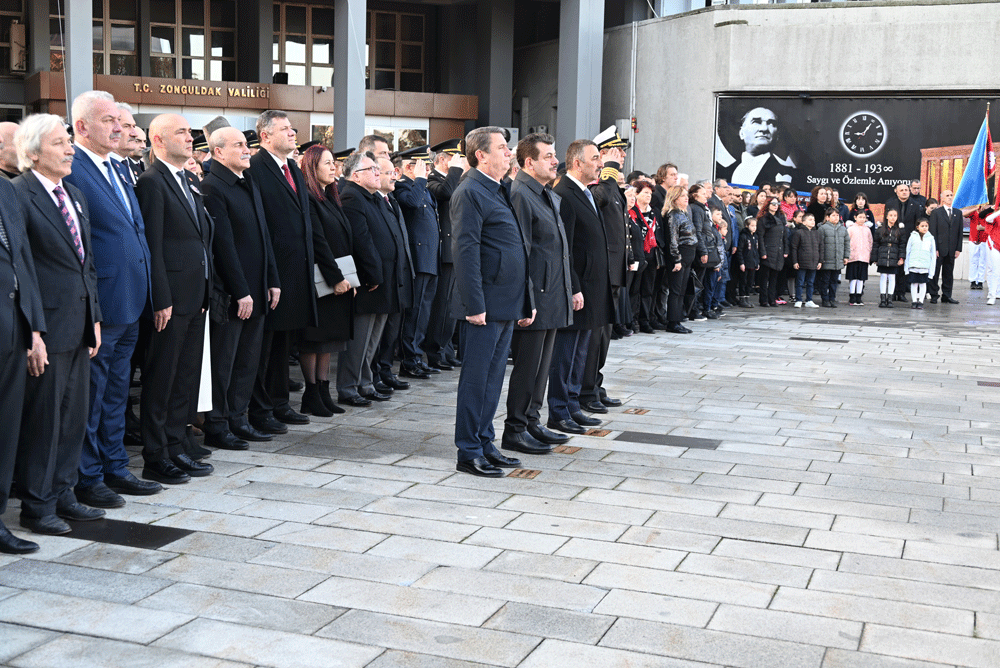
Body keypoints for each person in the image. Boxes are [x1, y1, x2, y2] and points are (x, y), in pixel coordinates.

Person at [64, 91, 161, 509]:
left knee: (118, 390)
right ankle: (89, 476)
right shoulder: (74, 167)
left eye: (120, 121)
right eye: (109, 121)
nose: (119, 128)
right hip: (102, 303)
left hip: (132, 297)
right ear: (82, 127)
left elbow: (135, 232)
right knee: (94, 391)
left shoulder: (117, 167)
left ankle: (116, 466)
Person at [10, 114, 104, 535]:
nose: (69, 149)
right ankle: (37, 504)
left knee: (72, 417)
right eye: (58, 143)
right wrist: (34, 331)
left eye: (68, 141)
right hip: (45, 329)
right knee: (44, 422)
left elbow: (88, 265)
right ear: (31, 153)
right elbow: (20, 268)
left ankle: (64, 493)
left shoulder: (75, 195)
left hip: (79, 325)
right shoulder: (18, 196)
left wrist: (95, 319)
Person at [135, 114, 214, 484]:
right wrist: (160, 297)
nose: (190, 137)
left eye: (190, 131)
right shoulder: (153, 182)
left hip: (195, 296)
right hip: (170, 300)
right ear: (158, 140)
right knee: (162, 377)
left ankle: (176, 445)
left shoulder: (187, 180)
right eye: (181, 132)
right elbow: (153, 244)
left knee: (185, 377)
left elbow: (198, 240)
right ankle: (156, 454)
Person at [451, 127, 533, 476]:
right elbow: (466, 251)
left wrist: (524, 299)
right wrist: (474, 305)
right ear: (480, 154)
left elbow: (517, 250)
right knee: (476, 379)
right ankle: (468, 450)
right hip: (484, 304)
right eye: (501, 147)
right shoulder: (470, 190)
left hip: (504, 301)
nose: (508, 152)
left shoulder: (497, 188)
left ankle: (485, 441)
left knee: (493, 378)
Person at [200, 127, 282, 446]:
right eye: (239, 145)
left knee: (247, 360)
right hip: (234, 295)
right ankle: (218, 425)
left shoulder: (247, 183)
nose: (247, 149)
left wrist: (272, 281)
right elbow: (224, 246)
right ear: (219, 152)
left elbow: (264, 237)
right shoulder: (213, 187)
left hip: (258, 290)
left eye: (246, 145)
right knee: (225, 361)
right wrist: (241, 291)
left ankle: (239, 417)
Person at [502, 132, 574, 456]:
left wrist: (571, 289)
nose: (555, 161)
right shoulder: (521, 194)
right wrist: (527, 300)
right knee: (527, 367)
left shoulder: (543, 193)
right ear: (529, 162)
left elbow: (557, 250)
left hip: (553, 293)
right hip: (536, 296)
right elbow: (523, 252)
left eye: (554, 154)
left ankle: (532, 420)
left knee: (542, 367)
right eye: (548, 156)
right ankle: (515, 428)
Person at [247, 110, 316, 433]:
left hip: (296, 271)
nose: (292, 133)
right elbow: (261, 225)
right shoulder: (256, 168)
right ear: (264, 136)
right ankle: (260, 409)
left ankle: (278, 403)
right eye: (285, 129)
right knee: (265, 348)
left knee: (283, 344)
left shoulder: (291, 167)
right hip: (271, 272)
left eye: (292, 128)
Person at [548, 139, 612, 436]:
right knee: (566, 352)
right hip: (578, 289)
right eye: (595, 158)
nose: (601, 163)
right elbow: (566, 249)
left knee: (580, 353)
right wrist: (574, 287)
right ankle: (559, 410)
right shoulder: (565, 194)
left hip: (591, 288)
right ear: (577, 163)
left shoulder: (584, 192)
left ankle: (572, 405)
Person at [0, 161, 46, 553]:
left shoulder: (5, 190)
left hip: (12, 332)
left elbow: (22, 264)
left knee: (5, 429)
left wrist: (33, 329)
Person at [337, 151, 402, 407]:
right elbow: (361, 240)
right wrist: (373, 274)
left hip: (382, 279)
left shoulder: (373, 197)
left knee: (372, 338)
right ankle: (349, 386)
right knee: (359, 339)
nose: (378, 172)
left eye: (378, 169)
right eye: (372, 169)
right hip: (368, 281)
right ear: (356, 175)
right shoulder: (352, 195)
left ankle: (364, 382)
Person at [297, 145, 353, 416]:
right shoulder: (308, 197)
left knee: (329, 339)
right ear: (312, 167)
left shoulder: (331, 196)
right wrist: (337, 278)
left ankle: (323, 389)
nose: (334, 167)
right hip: (321, 279)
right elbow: (318, 242)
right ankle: (311, 392)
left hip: (338, 277)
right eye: (328, 163)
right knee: (315, 339)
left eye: (334, 163)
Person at [392, 146, 440, 379]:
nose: (428, 170)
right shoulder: (402, 187)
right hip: (418, 260)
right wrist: (420, 178)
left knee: (424, 314)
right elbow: (410, 203)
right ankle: (409, 359)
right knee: (415, 313)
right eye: (424, 165)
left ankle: (416, 356)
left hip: (430, 259)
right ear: (409, 167)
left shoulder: (423, 189)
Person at [369, 155, 414, 398]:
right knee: (381, 330)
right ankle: (375, 372)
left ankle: (385, 370)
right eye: (388, 173)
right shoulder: (375, 201)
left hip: (401, 274)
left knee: (393, 327)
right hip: (385, 276)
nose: (393, 177)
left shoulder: (391, 199)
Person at [424, 139, 466, 370]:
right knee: (441, 306)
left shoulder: (453, 180)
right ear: (442, 160)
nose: (458, 163)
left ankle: (446, 348)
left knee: (452, 306)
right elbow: (446, 193)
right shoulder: (433, 181)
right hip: (444, 252)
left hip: (456, 250)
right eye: (454, 158)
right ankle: (435, 350)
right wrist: (457, 170)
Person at [718, 107, 800, 188]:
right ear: (741, 133)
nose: (764, 129)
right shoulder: (724, 173)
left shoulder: (790, 174)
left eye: (771, 123)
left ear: (777, 135)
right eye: (756, 122)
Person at [661, 186, 699, 333]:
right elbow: (672, 240)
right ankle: (673, 322)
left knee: (682, 290)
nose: (686, 198)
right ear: (675, 198)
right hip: (680, 255)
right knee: (676, 290)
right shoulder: (673, 215)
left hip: (689, 254)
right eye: (682, 195)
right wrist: (676, 259)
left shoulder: (683, 214)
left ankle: (677, 319)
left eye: (686, 195)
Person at [633, 181, 662, 332]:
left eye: (650, 194)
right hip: (637, 256)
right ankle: (632, 320)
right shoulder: (632, 211)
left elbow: (660, 235)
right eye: (645, 193)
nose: (648, 196)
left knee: (648, 290)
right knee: (634, 290)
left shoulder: (654, 212)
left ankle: (645, 320)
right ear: (636, 194)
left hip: (651, 256)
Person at [927, 189, 963, 305]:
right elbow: (933, 231)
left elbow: (959, 232)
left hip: (951, 249)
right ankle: (933, 294)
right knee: (935, 273)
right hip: (939, 249)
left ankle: (947, 295)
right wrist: (935, 248)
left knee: (948, 273)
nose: (950, 197)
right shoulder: (936, 213)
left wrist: (958, 248)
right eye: (947, 195)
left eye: (951, 195)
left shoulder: (958, 213)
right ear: (942, 198)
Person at [872, 208, 906, 308]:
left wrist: (901, 258)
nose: (893, 217)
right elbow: (875, 244)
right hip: (882, 256)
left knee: (891, 277)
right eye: (890, 215)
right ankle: (883, 299)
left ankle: (890, 299)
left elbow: (902, 245)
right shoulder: (880, 229)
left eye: (895, 215)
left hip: (894, 257)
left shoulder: (900, 230)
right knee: (883, 276)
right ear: (887, 216)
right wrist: (875, 258)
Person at [757, 197, 787, 307]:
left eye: (777, 203)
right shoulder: (763, 219)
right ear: (768, 205)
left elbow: (784, 236)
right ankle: (764, 299)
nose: (775, 205)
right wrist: (763, 252)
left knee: (774, 277)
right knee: (765, 278)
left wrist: (785, 250)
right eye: (773, 203)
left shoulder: (781, 217)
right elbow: (760, 237)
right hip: (768, 249)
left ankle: (772, 298)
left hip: (779, 251)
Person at [817, 207, 849, 307]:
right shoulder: (822, 228)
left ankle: (832, 298)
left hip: (838, 260)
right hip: (826, 260)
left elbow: (847, 243)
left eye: (837, 215)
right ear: (827, 217)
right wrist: (821, 259)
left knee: (834, 281)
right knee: (825, 281)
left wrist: (846, 256)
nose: (836, 217)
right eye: (833, 215)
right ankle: (824, 299)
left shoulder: (843, 228)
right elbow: (820, 244)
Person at [791, 212, 823, 308]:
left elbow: (821, 248)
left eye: (813, 220)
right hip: (802, 261)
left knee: (810, 282)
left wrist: (820, 261)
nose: (813, 221)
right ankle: (798, 299)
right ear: (804, 222)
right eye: (810, 219)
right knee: (800, 282)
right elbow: (794, 248)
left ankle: (809, 300)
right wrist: (795, 261)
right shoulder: (799, 233)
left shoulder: (817, 233)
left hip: (814, 262)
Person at [905, 216, 936, 309]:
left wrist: (931, 271)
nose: (924, 228)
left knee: (923, 284)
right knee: (914, 283)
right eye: (922, 226)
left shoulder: (931, 238)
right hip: (913, 265)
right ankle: (914, 301)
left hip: (925, 266)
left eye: (926, 226)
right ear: (917, 227)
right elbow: (908, 251)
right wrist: (906, 268)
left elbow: (933, 255)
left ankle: (921, 301)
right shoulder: (912, 236)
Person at [846, 211, 873, 305]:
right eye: (860, 217)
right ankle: (852, 296)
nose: (862, 219)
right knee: (853, 277)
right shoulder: (851, 229)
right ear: (855, 217)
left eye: (864, 217)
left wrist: (869, 254)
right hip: (853, 256)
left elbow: (870, 242)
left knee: (861, 278)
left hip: (864, 257)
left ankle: (859, 296)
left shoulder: (867, 229)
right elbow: (846, 242)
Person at [736, 215, 761, 308]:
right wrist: (741, 263)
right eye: (752, 226)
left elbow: (756, 251)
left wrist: (757, 262)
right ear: (747, 226)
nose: (754, 228)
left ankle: (747, 298)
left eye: (755, 226)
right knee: (743, 281)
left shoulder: (755, 237)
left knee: (750, 282)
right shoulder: (744, 236)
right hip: (745, 262)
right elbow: (740, 250)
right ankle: (742, 298)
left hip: (753, 263)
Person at [968, 205, 989, 290]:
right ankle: (972, 281)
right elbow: (964, 214)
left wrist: (983, 228)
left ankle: (980, 281)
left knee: (982, 262)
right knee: (973, 261)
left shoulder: (988, 214)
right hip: (973, 239)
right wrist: (975, 208)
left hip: (984, 240)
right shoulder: (974, 213)